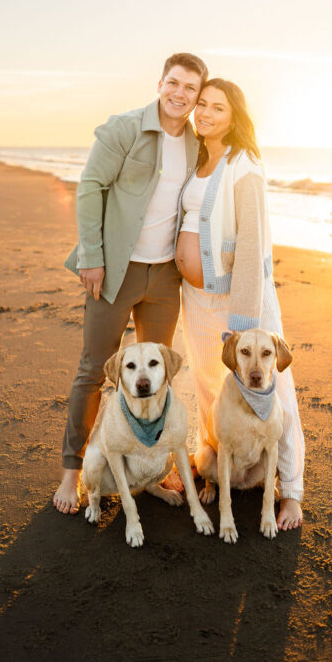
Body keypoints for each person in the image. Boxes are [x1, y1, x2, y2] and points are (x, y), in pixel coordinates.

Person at [53, 52, 208, 514]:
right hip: (115, 271)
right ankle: (71, 471)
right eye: (174, 83)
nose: (180, 94)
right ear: (160, 82)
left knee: (156, 377)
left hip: (165, 278)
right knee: (94, 370)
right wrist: (92, 257)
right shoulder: (123, 128)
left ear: (199, 96)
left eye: (191, 89)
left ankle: (152, 463)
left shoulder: (199, 144)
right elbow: (90, 187)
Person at [175, 78, 305, 530]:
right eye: (202, 105)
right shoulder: (196, 156)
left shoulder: (243, 162)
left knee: (274, 394)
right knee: (212, 387)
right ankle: (221, 471)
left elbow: (250, 242)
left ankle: (290, 493)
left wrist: (245, 320)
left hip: (238, 297)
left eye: (218, 108)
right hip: (197, 297)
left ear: (235, 118)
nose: (206, 113)